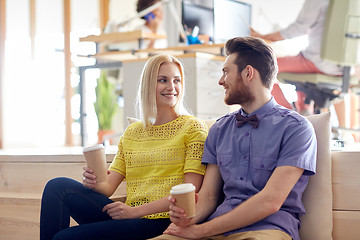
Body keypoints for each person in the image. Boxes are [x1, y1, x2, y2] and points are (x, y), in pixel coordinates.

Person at [154, 37, 317, 240]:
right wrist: (187, 218)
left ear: (248, 73)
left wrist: (200, 231)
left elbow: (270, 201)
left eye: (225, 72)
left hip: (267, 229)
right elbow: (209, 197)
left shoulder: (297, 128)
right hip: (217, 228)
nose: (221, 81)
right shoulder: (219, 129)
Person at [40, 54, 208, 240]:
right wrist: (93, 182)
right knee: (57, 186)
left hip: (162, 220)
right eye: (163, 80)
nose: (171, 87)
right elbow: (108, 187)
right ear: (148, 84)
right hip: (129, 217)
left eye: (177, 80)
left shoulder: (192, 128)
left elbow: (190, 190)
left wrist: (135, 211)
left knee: (63, 238)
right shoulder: (132, 133)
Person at [250, 0, 342, 114]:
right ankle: (303, 111)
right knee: (300, 63)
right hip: (347, 69)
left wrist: (263, 37)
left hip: (319, 63)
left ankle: (285, 116)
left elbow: (298, 28)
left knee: (258, 66)